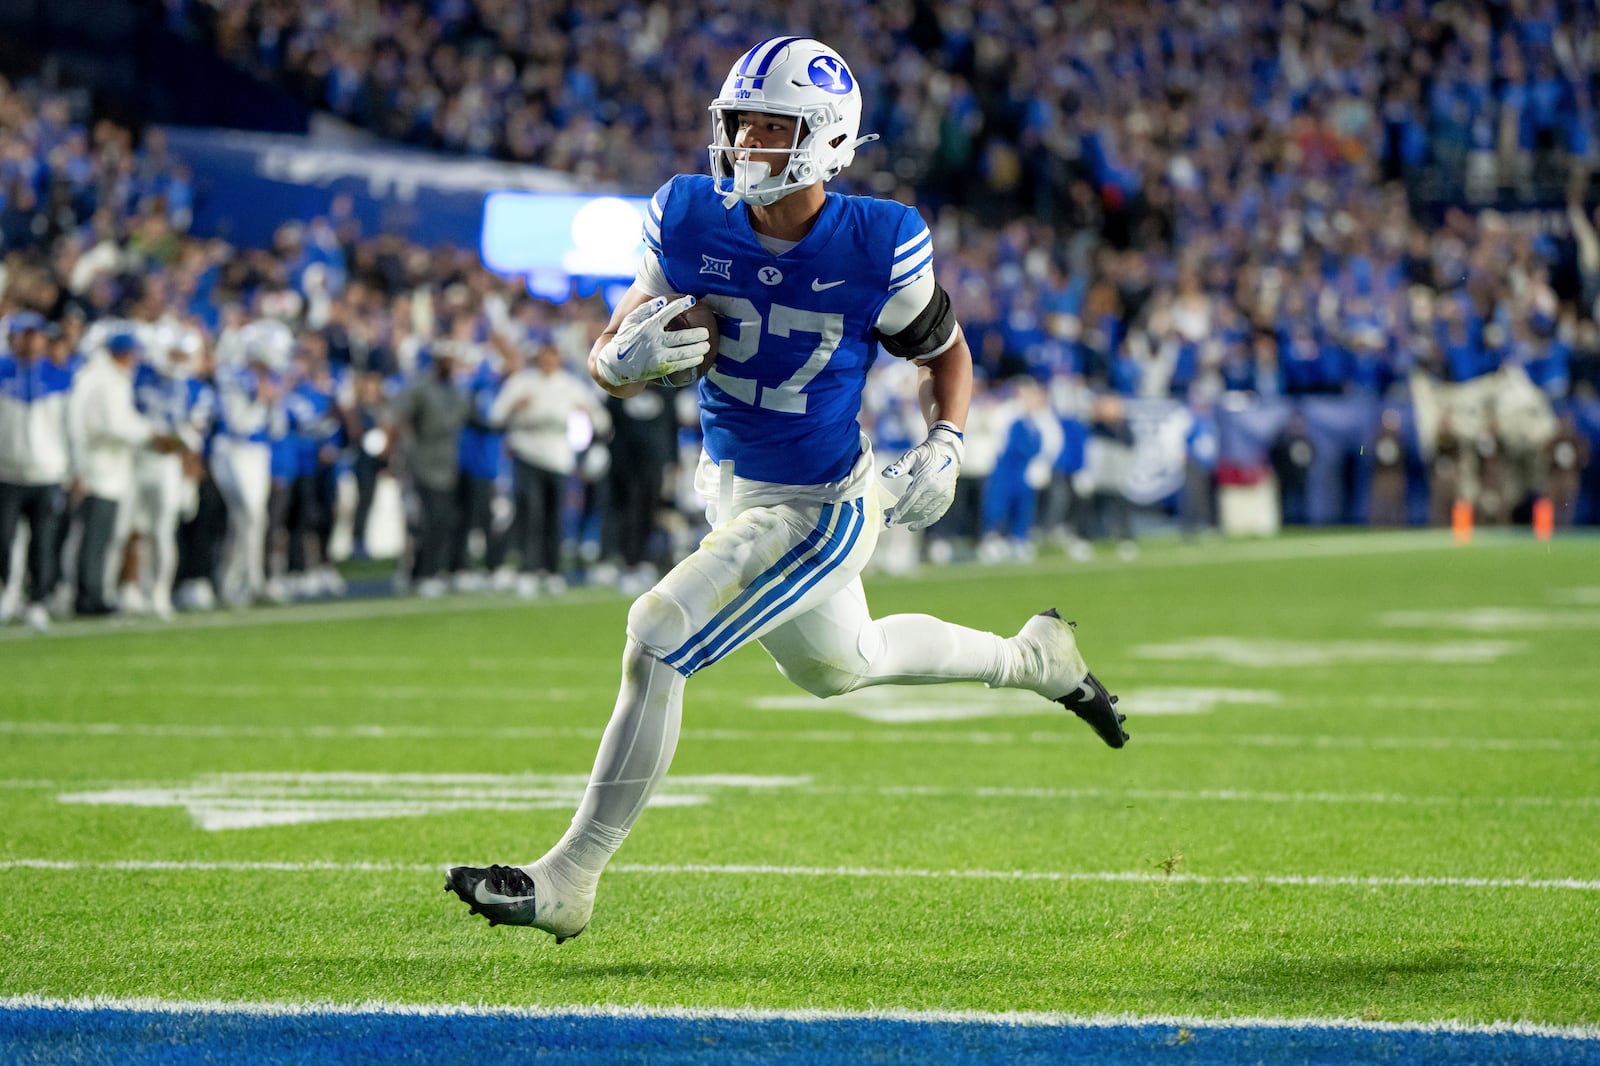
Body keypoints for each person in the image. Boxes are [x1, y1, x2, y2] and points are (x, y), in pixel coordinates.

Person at [446, 38, 1126, 941]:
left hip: (819, 507)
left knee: (658, 635)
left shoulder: (877, 240)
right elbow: (611, 351)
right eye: (741, 126)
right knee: (847, 663)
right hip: (729, 486)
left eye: (773, 128)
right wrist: (625, 357)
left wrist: (948, 440)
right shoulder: (688, 216)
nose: (748, 147)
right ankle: (1036, 660)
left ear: (826, 140)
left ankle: (570, 876)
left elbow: (943, 352)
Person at [0, 312, 74, 632]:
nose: (30, 341)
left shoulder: (59, 376)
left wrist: (72, 469)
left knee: (43, 542)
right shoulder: (2, 372)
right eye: (23, 335)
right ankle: (7, 595)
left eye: (35, 335)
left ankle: (37, 601)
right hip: (7, 471)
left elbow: (70, 428)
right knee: (4, 540)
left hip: (47, 471)